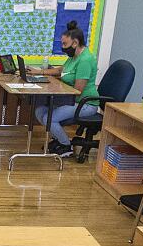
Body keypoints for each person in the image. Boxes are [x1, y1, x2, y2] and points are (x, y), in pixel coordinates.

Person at [30, 21, 98, 155]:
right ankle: (58, 139)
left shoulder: (85, 60)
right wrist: (40, 72)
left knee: (49, 117)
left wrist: (55, 92)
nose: (63, 47)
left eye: (65, 44)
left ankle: (66, 146)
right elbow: (62, 69)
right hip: (72, 100)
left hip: (84, 103)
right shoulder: (74, 57)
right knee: (39, 111)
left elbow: (77, 90)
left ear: (75, 43)